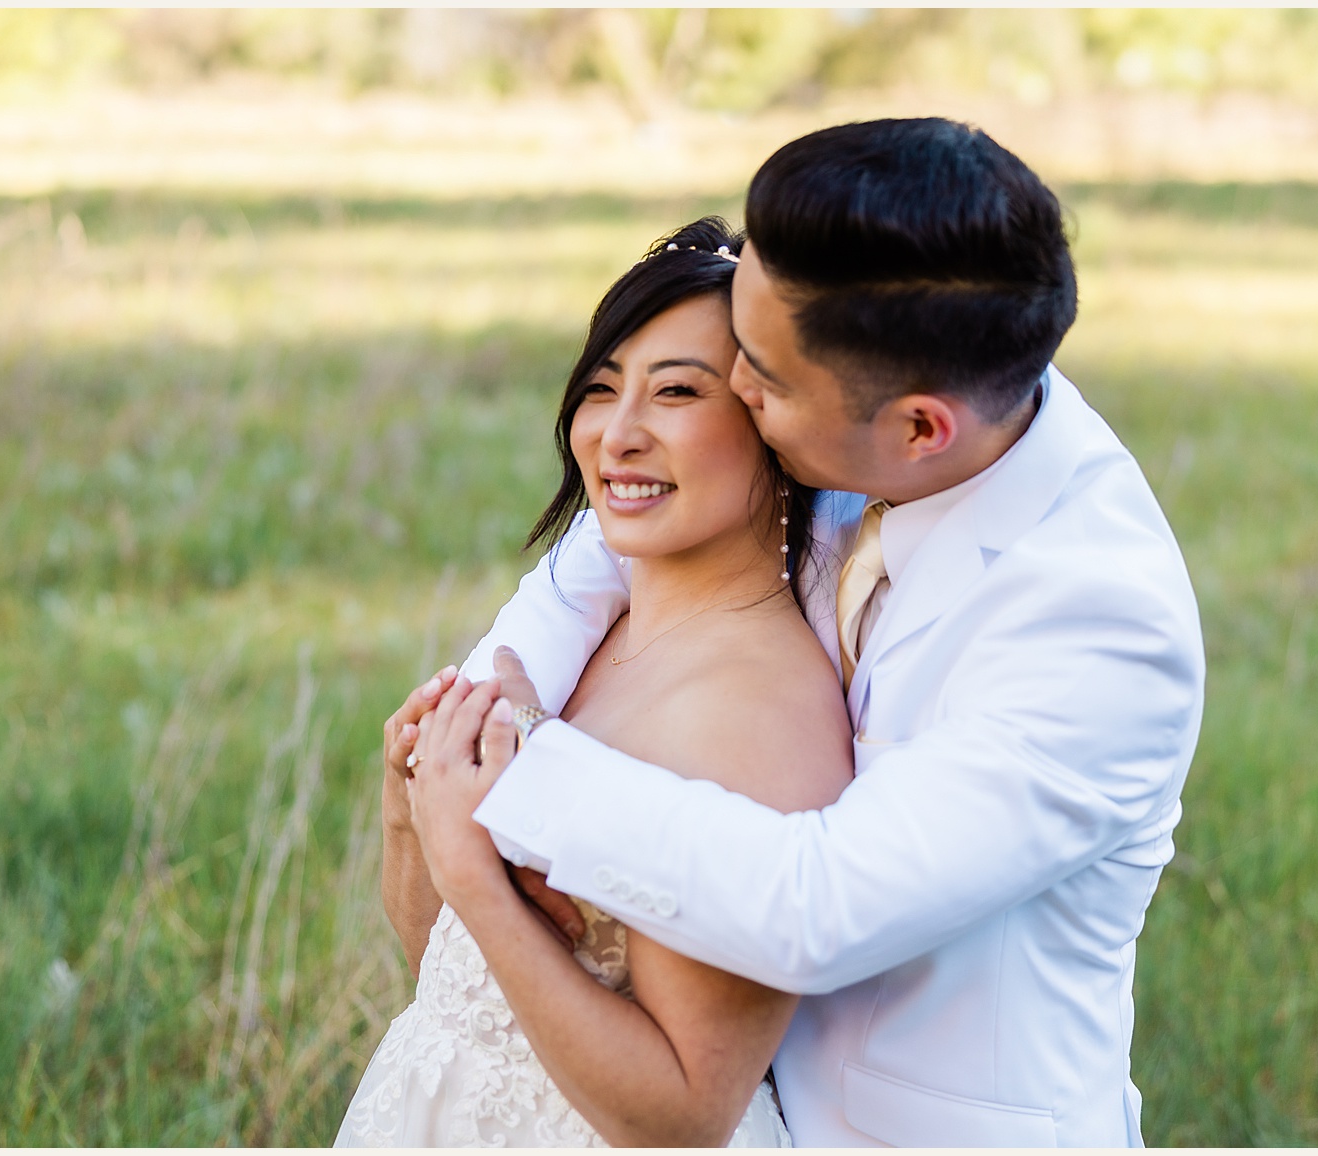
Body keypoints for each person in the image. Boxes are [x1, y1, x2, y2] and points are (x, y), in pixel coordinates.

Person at [389, 119, 1205, 1146]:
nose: (734, 392)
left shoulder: (1098, 632)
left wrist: (512, 781)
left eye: (759, 380)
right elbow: (604, 543)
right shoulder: (897, 401)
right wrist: (491, 687)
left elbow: (814, 907)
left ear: (918, 428)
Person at [339, 217, 848, 1146]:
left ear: (773, 423)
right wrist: (408, 810)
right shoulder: (580, 650)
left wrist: (473, 873)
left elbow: (689, 1112)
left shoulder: (760, 715)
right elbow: (453, 982)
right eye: (602, 388)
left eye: (676, 393)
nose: (618, 435)